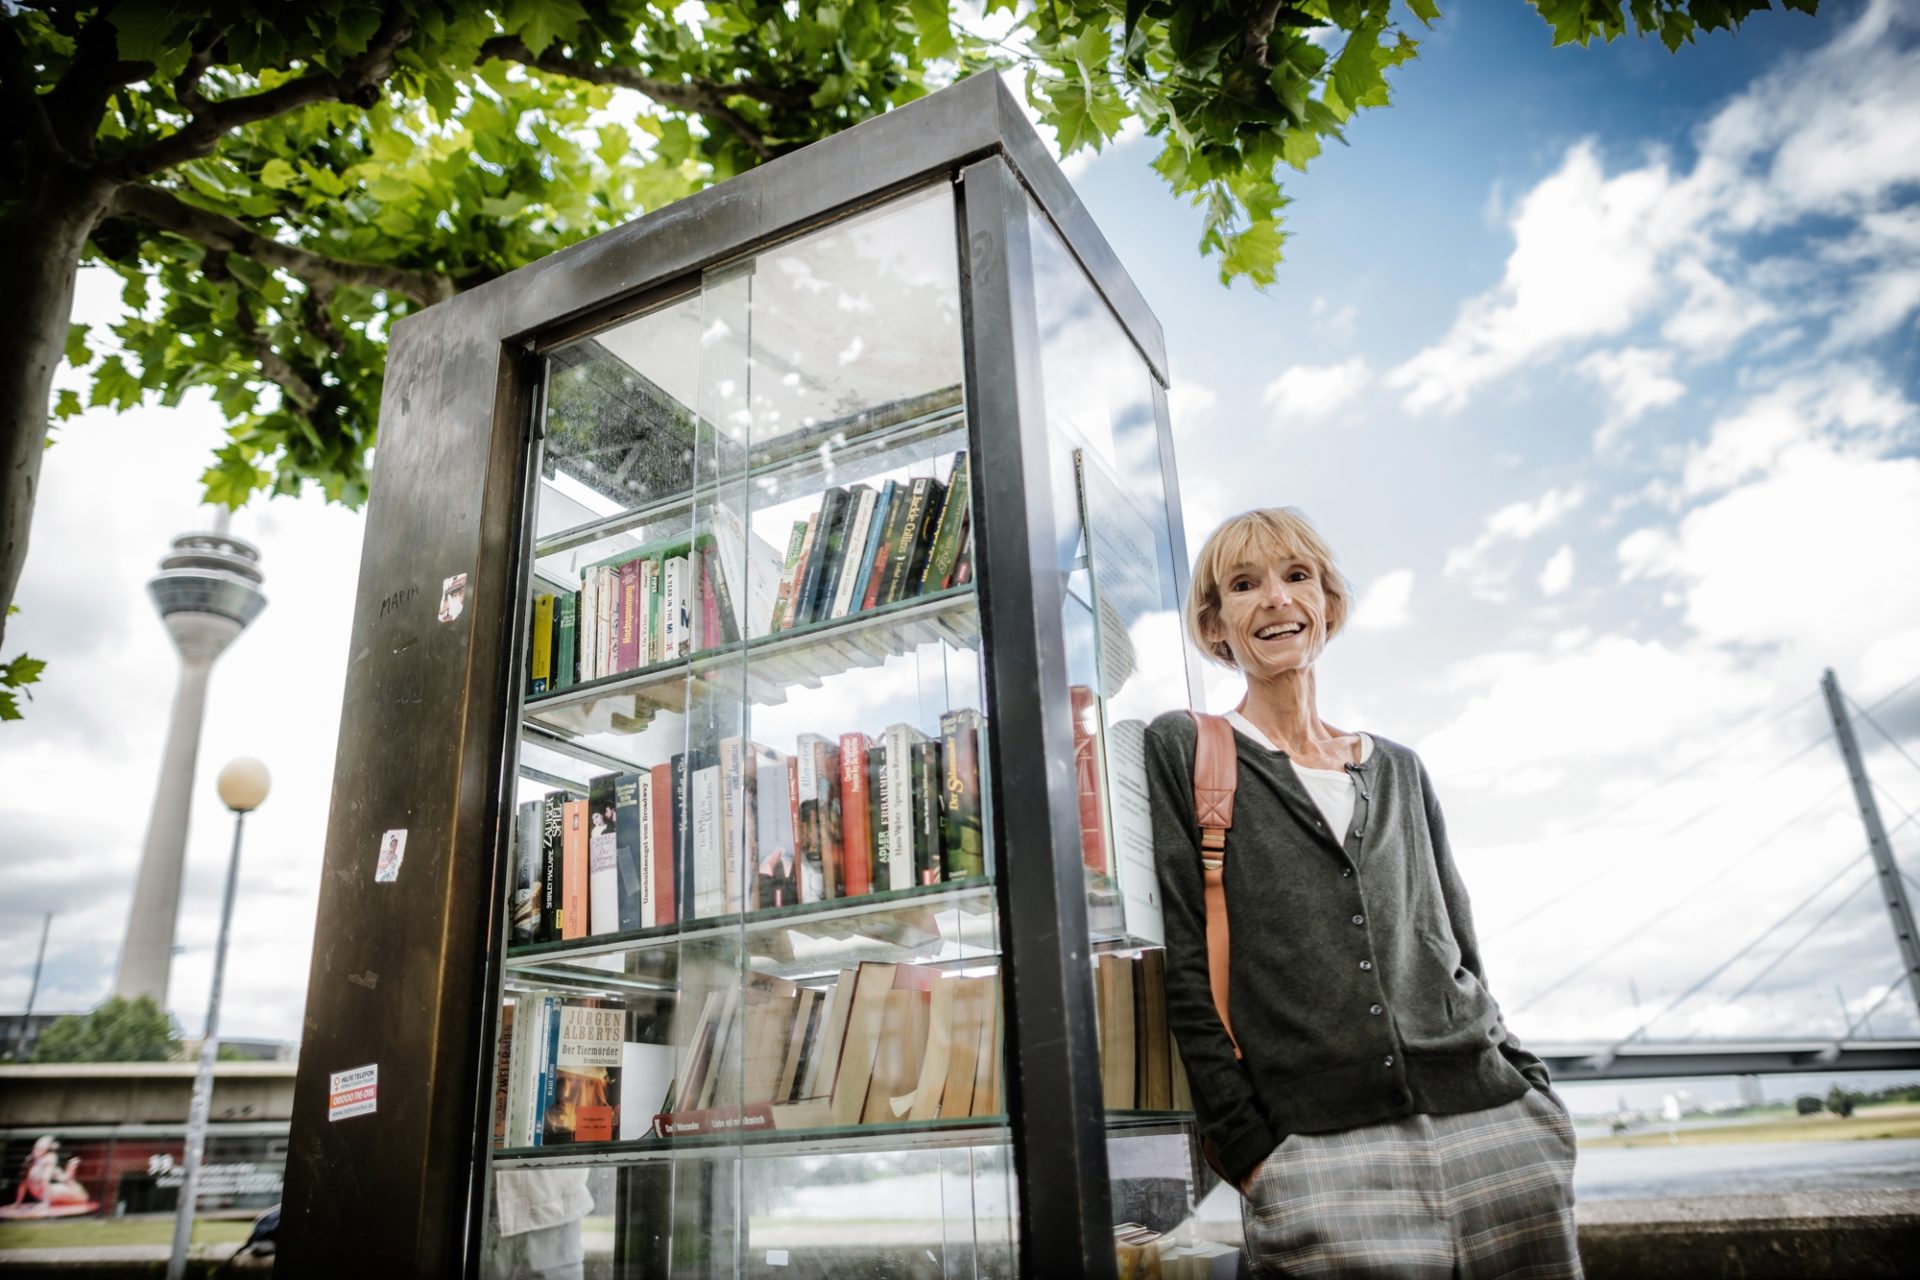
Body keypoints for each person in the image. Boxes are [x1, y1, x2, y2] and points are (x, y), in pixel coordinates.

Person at [1145, 508, 1581, 1278]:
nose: (1275, 599)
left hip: (1496, 1125)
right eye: (1245, 585)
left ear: (1329, 605)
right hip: (1316, 1155)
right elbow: (1186, 966)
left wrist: (1529, 1089)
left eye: (1297, 577)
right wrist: (1249, 1147)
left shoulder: (1400, 768)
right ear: (1217, 624)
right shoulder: (1187, 747)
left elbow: (1457, 941)